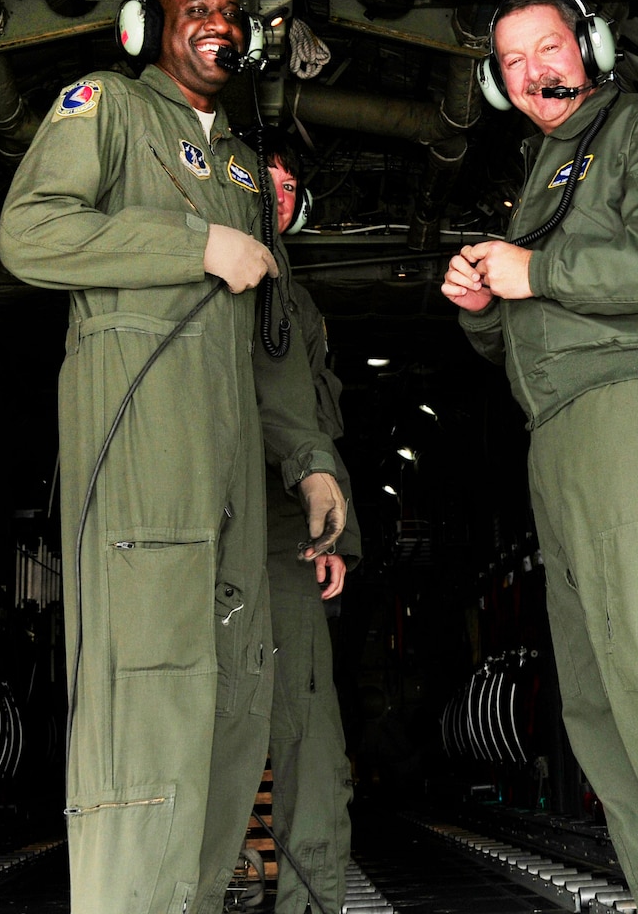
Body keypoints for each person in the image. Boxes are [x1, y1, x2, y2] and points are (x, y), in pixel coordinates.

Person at [0, 0, 347, 914]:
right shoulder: (107, 107)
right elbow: (28, 235)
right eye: (196, 10)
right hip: (145, 465)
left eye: (230, 14)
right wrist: (191, 247)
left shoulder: (241, 167)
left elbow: (270, 347)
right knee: (144, 720)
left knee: (231, 720)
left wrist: (311, 462)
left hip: (235, 480)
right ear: (145, 28)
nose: (217, 25)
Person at [442, 0, 638, 914]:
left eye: (548, 49)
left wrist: (535, 268)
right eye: (513, 63)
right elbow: (542, 325)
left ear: (591, 45)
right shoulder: (550, 172)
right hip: (565, 438)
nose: (534, 73)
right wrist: (486, 309)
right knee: (602, 716)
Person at [259, 145, 361, 914]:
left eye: (295, 184)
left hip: (292, 530)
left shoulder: (298, 301)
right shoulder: (220, 271)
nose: (284, 194)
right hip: (224, 518)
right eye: (270, 180)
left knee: (310, 728)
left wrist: (339, 542)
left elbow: (318, 418)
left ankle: (309, 903)